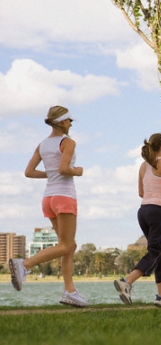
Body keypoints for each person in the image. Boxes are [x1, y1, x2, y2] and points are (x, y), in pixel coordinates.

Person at [9, 105, 88, 307]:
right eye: (69, 120)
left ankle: (70, 291)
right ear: (62, 121)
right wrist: (77, 171)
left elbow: (29, 171)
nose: (71, 124)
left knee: (68, 247)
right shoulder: (68, 142)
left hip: (49, 198)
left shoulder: (42, 144)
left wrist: (50, 173)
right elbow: (64, 169)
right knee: (67, 245)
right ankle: (24, 265)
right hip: (64, 196)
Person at [114, 133, 161, 308]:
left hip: (144, 211)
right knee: (155, 251)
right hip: (158, 212)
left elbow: (142, 193)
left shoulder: (143, 166)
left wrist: (158, 201)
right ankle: (127, 281)